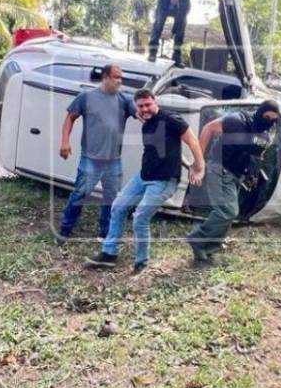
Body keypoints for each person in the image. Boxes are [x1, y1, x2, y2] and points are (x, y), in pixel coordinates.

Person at [86, 89, 206, 274]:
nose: (145, 109)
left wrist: (199, 167)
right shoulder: (147, 124)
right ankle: (109, 254)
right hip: (143, 176)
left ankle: (141, 263)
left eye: (148, 104)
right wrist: (186, 163)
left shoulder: (171, 119)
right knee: (118, 206)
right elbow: (167, 148)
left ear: (154, 101)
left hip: (164, 180)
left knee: (140, 218)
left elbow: (193, 142)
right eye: (140, 106)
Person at [186, 100, 281, 264]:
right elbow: (209, 128)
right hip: (220, 168)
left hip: (236, 174)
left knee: (228, 212)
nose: (269, 122)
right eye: (266, 117)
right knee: (227, 211)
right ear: (260, 113)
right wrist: (199, 163)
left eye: (273, 119)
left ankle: (210, 248)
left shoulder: (263, 133)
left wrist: (253, 173)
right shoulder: (238, 120)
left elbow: (256, 153)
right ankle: (198, 239)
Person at [56, 64, 137, 243]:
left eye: (121, 77)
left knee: (112, 199)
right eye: (116, 77)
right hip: (90, 160)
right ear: (105, 77)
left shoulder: (124, 99)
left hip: (113, 161)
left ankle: (105, 232)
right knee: (79, 195)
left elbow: (140, 113)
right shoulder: (86, 97)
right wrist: (64, 142)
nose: (119, 81)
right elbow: (70, 118)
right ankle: (64, 231)